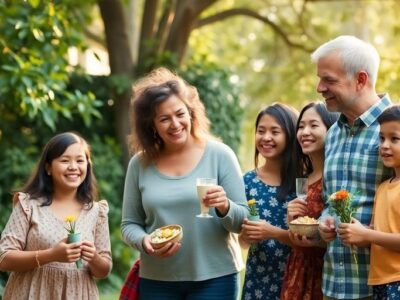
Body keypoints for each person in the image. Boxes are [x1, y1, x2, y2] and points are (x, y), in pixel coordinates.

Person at [120, 67, 248, 299]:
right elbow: (129, 224)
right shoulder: (139, 164)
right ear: (152, 125)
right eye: (164, 119)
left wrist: (225, 206)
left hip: (216, 278)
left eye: (180, 114)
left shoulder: (220, 155)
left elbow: (242, 222)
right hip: (157, 280)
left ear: (191, 113)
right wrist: (144, 241)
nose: (175, 124)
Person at [312, 35, 392, 299]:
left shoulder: (395, 130)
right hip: (334, 284)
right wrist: (325, 220)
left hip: (384, 287)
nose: (319, 87)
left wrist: (370, 235)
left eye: (329, 80)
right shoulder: (333, 133)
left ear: (360, 79)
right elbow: (330, 199)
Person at [0, 132, 112, 300]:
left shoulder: (97, 212)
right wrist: (51, 255)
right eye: (65, 160)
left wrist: (94, 257)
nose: (73, 166)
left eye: (80, 160)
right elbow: (4, 258)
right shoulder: (28, 205)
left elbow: (103, 270)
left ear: (87, 166)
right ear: (48, 168)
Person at [338, 105, 400, 300]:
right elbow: (376, 233)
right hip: (379, 282)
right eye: (381, 138)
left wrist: (367, 234)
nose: (385, 145)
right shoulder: (382, 188)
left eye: (394, 139)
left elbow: (373, 234)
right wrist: (357, 233)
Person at [239, 103, 298, 300]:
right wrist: (246, 237)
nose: (266, 138)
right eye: (261, 131)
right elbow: (243, 241)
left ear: (290, 135)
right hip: (258, 279)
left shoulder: (304, 182)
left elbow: (313, 240)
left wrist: (272, 232)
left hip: (297, 277)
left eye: (275, 131)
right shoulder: (247, 181)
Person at [281, 101, 338, 300]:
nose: (304, 132)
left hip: (325, 272)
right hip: (298, 269)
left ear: (332, 129)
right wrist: (292, 221)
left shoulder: (336, 177)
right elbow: (298, 228)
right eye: (301, 126)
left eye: (313, 125)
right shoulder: (304, 178)